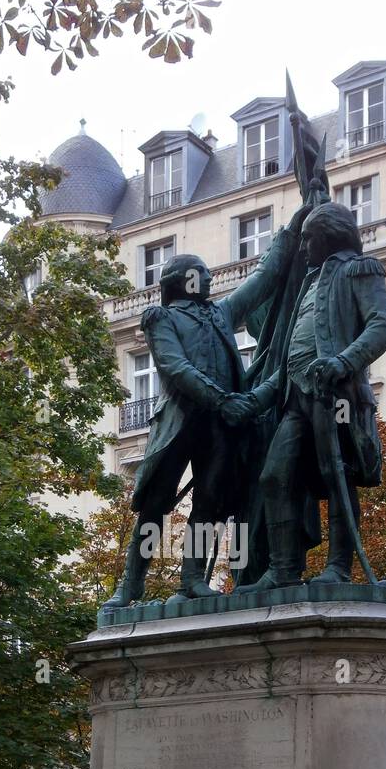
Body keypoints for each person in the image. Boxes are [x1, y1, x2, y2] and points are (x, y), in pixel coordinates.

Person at [102, 203, 311, 609]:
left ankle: (193, 579)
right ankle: (130, 585)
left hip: (221, 429)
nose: (211, 278)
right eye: (203, 273)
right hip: (181, 423)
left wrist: (293, 227)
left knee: (211, 506)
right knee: (155, 506)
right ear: (184, 280)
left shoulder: (221, 313)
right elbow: (175, 369)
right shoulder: (160, 318)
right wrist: (223, 400)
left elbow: (264, 279)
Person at [237, 201, 386, 592]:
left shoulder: (360, 269)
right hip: (297, 395)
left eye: (308, 238)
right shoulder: (307, 283)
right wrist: (259, 397)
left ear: (329, 235)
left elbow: (383, 325)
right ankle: (283, 568)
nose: (304, 246)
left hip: (338, 395)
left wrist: (343, 362)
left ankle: (338, 568)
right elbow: (290, 351)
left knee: (337, 474)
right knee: (275, 475)